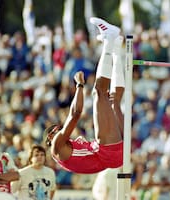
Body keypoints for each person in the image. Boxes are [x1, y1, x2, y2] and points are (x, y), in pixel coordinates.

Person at [44, 17, 125, 174]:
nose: (57, 130)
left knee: (114, 101)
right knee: (99, 92)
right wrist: (80, 86)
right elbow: (75, 114)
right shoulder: (57, 147)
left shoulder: (70, 144)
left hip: (113, 152)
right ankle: (108, 39)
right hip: (109, 153)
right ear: (49, 139)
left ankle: (115, 48)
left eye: (56, 128)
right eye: (53, 131)